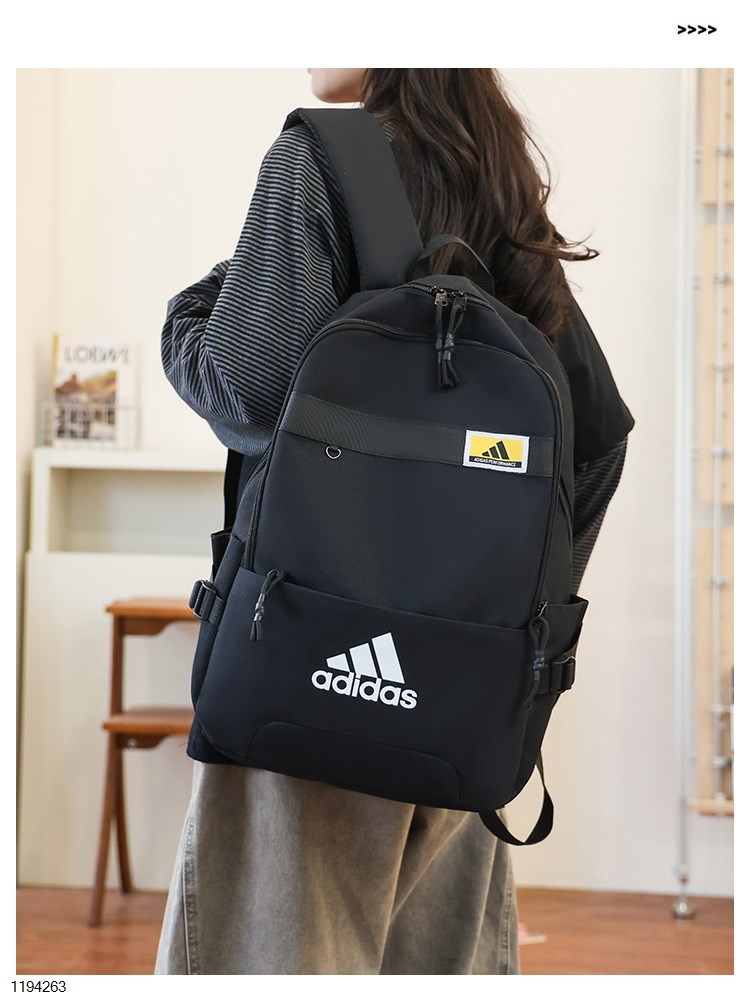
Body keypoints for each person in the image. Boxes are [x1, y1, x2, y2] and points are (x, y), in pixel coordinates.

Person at [155, 68, 633, 976]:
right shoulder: (496, 176)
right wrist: (511, 635)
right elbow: (597, 438)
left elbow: (245, 388)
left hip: (307, 677)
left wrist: (190, 314)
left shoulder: (321, 153)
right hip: (466, 702)